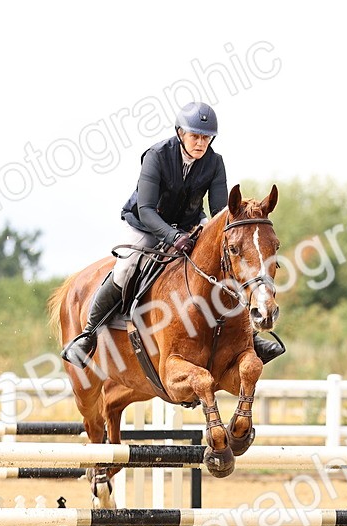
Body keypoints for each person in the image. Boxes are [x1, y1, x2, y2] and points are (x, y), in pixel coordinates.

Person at [61, 101, 285, 367]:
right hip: (146, 225)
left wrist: (216, 235)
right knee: (125, 268)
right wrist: (173, 237)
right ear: (180, 133)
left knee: (224, 263)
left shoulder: (214, 162)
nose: (201, 143)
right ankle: (88, 335)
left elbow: (219, 212)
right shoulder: (157, 156)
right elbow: (145, 209)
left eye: (206, 138)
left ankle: (249, 336)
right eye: (195, 136)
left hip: (190, 226)